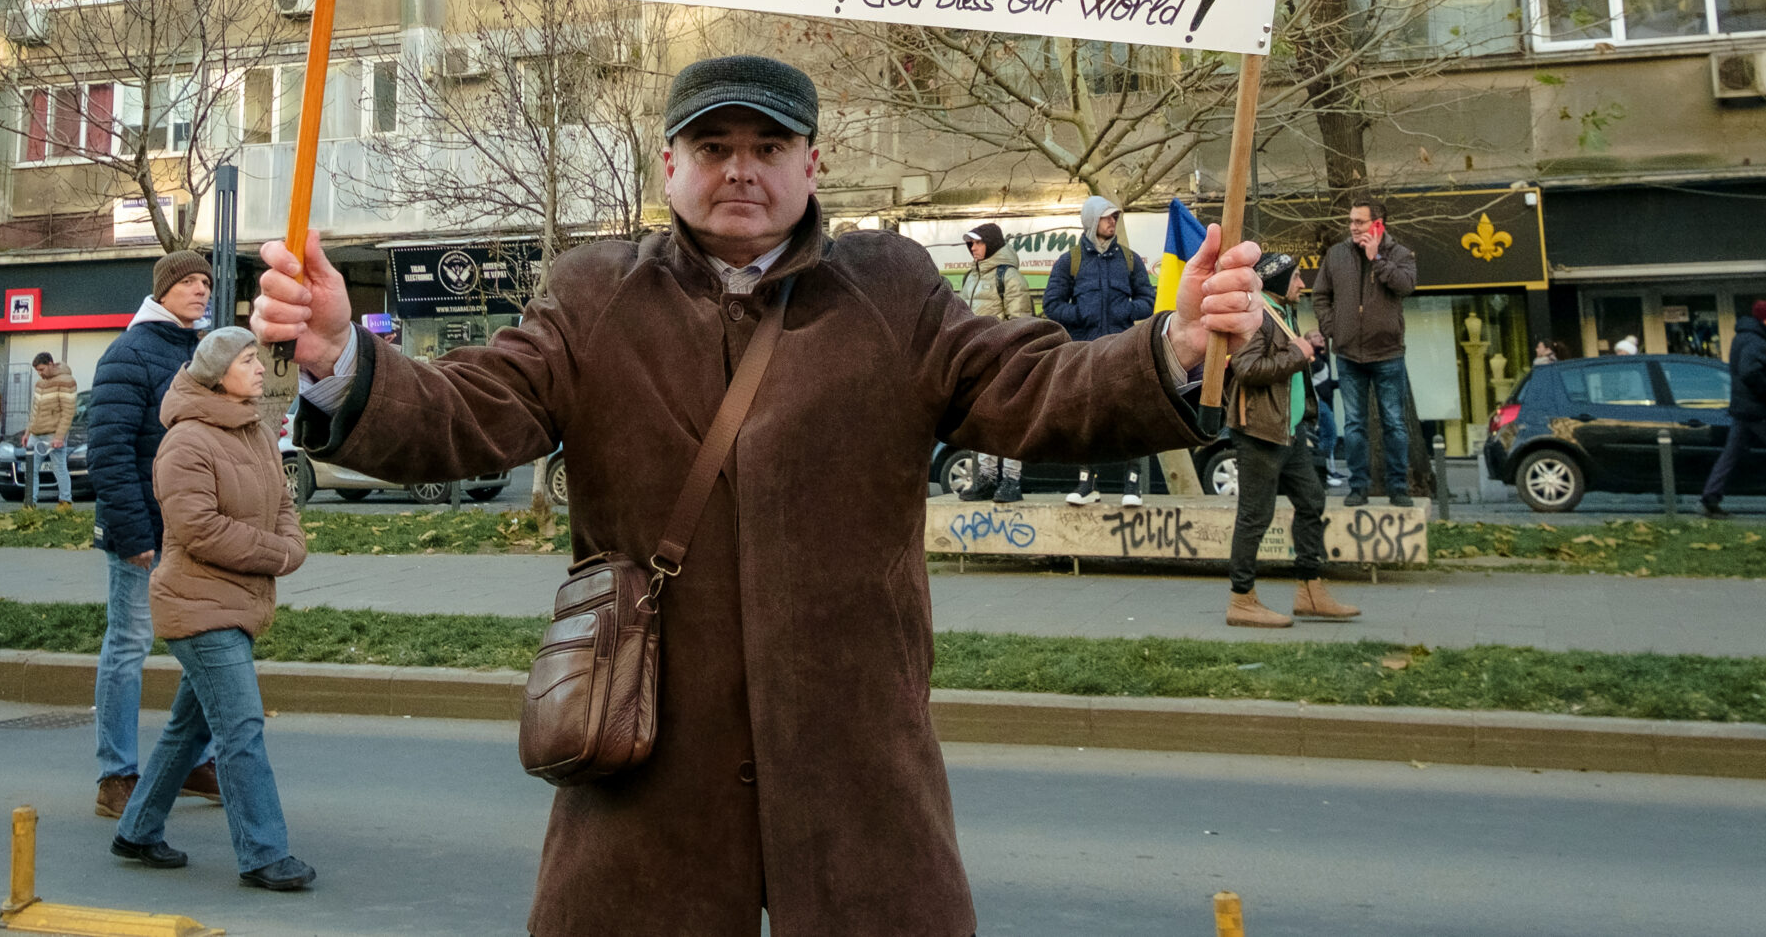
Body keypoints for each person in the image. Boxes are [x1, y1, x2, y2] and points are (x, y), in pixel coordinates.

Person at [254, 53, 1273, 937]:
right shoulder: (594, 295)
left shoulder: (893, 287)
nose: (739, 168)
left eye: (767, 145)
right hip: (648, 765)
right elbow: (468, 413)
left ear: (810, 163)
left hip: (853, 760)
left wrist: (1174, 348)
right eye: (711, 146)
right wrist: (341, 355)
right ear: (668, 165)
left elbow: (1035, 388)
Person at [109, 327, 315, 892]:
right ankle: (264, 853)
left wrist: (289, 544)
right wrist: (277, 554)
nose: (257, 367)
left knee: (186, 727)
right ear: (217, 372)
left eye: (258, 357)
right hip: (197, 606)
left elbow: (283, 499)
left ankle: (137, 829)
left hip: (236, 603)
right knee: (242, 727)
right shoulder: (187, 441)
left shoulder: (253, 429)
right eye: (247, 360)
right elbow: (197, 528)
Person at [87, 250, 221, 820]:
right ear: (162, 290)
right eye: (189, 282)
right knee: (128, 647)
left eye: (206, 282)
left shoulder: (202, 352)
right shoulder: (128, 353)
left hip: (196, 531)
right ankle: (116, 775)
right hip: (145, 533)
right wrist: (133, 533)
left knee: (205, 651)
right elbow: (109, 451)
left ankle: (195, 760)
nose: (201, 290)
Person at [1222, 257, 1358, 629]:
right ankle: (1242, 599)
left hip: (1289, 430)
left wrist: (1303, 346)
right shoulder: (1259, 316)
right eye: (1296, 278)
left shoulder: (1283, 311)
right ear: (1279, 283)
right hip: (1261, 434)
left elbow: (1285, 356)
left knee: (1312, 501)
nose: (1302, 283)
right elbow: (1246, 369)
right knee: (1255, 516)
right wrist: (1296, 353)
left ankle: (1310, 590)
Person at [1041, 196, 1158, 508]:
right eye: (1107, 217)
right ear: (1092, 220)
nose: (1112, 222)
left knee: (1128, 415)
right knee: (1087, 418)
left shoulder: (1130, 260)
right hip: (1087, 352)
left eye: (1115, 217)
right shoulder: (1070, 261)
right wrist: (1081, 315)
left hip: (1123, 349)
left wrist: (1127, 309)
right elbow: (1051, 305)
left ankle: (1132, 484)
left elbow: (1150, 298)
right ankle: (1086, 483)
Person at [1310, 200, 1420, 508]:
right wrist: (1333, 328)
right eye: (1351, 221)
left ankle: (1399, 487)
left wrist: (1377, 260)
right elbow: (1320, 295)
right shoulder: (1336, 254)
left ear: (1378, 224)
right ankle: (1358, 487)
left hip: (1388, 354)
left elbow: (1406, 286)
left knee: (1394, 423)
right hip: (1348, 355)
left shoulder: (1400, 254)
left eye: (1359, 222)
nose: (1353, 227)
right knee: (1354, 425)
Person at [954, 222, 1034, 504]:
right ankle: (987, 478)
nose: (972, 248)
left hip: (1004, 360)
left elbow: (1021, 322)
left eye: (977, 243)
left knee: (1009, 419)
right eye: (970, 244)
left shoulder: (1009, 276)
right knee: (983, 419)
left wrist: (1010, 356)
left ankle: (1011, 480)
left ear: (991, 243)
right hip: (977, 364)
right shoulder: (970, 277)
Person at [1702, 300, 1766, 519]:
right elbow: (1750, 372)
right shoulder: (1756, 342)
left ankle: (1710, 497)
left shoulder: (1744, 338)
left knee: (1730, 455)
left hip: (1744, 409)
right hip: (1761, 411)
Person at [24, 353, 78, 506]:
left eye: (42, 369)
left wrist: (59, 437)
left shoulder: (66, 381)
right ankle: (30, 503)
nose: (40, 374)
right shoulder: (40, 384)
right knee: (31, 469)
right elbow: (35, 410)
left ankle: (65, 501)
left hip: (53, 434)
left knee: (59, 468)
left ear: (51, 364)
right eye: (37, 371)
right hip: (36, 432)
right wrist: (28, 431)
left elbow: (68, 412)